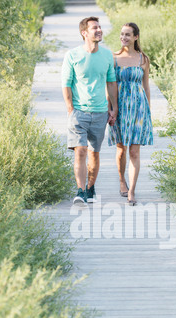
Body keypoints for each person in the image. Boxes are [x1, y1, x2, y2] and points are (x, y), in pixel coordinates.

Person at [62, 17, 118, 205]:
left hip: (101, 111)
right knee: (81, 150)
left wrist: (113, 108)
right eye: (95, 28)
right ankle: (80, 190)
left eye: (100, 27)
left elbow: (111, 83)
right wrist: (70, 108)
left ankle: (90, 188)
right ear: (84, 33)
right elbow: (66, 84)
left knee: (94, 152)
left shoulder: (107, 55)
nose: (99, 30)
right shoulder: (72, 55)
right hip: (79, 111)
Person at [108, 23, 153, 206]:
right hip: (119, 107)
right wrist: (111, 109)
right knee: (121, 149)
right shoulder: (114, 58)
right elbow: (109, 86)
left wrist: (148, 110)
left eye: (127, 35)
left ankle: (132, 191)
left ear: (136, 37)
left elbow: (146, 86)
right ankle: (121, 180)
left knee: (134, 151)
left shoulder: (143, 59)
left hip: (138, 108)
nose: (123, 38)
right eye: (122, 34)